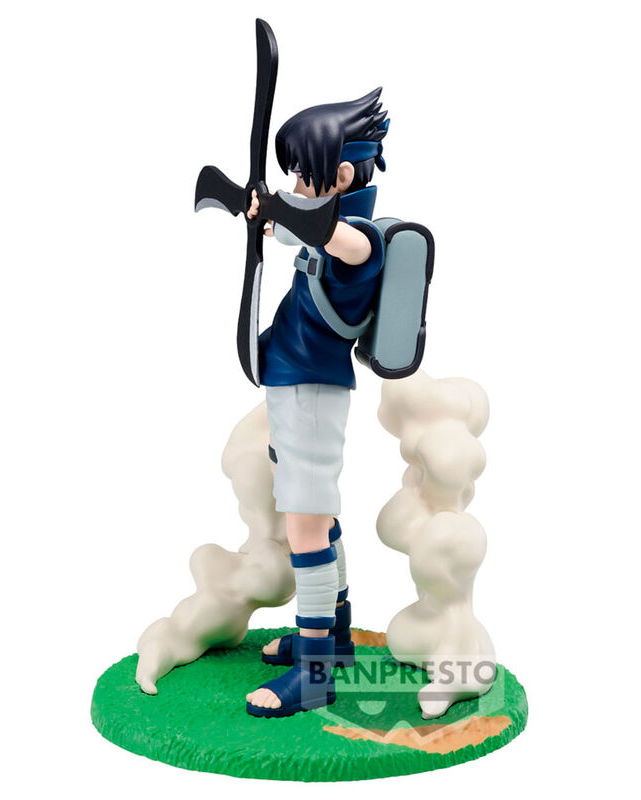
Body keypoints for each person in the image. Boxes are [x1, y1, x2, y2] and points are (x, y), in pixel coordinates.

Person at [244, 88, 389, 717]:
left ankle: (316, 670)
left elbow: (333, 237)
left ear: (344, 176)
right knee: (317, 518)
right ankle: (335, 636)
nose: (298, 185)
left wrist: (282, 207)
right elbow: (293, 228)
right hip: (292, 383)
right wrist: (263, 211)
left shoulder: (360, 241)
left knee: (305, 525)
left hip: (312, 390)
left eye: (306, 175)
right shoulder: (322, 228)